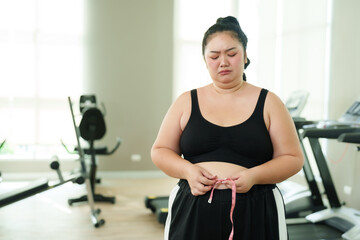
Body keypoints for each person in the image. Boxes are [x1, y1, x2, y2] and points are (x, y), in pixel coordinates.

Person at [151, 16, 304, 240]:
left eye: (231, 54)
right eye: (214, 56)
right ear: (205, 60)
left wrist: (254, 176)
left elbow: (292, 158)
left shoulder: (270, 102)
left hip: (256, 208)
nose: (223, 62)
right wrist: (188, 171)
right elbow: (160, 150)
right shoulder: (186, 101)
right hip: (193, 207)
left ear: (245, 56)